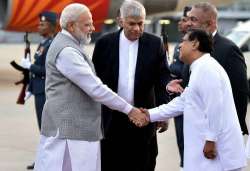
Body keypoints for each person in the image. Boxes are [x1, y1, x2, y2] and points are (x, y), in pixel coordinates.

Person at [33, 3, 146, 171]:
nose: (92, 28)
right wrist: (130, 110)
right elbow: (95, 88)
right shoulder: (67, 52)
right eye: (87, 24)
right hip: (71, 135)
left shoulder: (70, 45)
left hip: (74, 132)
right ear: (71, 26)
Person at [138, 29, 247, 171]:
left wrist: (211, 140)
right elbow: (183, 102)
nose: (179, 46)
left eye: (183, 41)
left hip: (218, 155)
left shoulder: (207, 69)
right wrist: (149, 114)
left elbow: (215, 106)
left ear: (195, 44)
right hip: (208, 154)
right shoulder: (200, 67)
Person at [92, 1, 171, 171]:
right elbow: (94, 82)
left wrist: (163, 113)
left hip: (143, 118)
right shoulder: (104, 44)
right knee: (110, 164)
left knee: (144, 164)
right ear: (120, 21)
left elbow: (162, 79)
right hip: (111, 119)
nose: (137, 28)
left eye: (141, 23)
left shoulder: (155, 44)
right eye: (132, 23)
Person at [185, 2, 249, 135]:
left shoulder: (229, 50)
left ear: (210, 23)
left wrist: (230, 132)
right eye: (187, 19)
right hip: (194, 127)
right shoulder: (192, 46)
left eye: (193, 19)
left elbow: (239, 94)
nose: (188, 23)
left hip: (221, 133)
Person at [20, 11, 57, 170]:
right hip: (39, 91)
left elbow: (48, 70)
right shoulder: (43, 43)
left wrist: (30, 66)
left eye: (42, 24)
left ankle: (48, 161)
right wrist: (30, 88)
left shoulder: (52, 44)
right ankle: (43, 159)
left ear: (51, 26)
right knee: (42, 129)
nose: (39, 26)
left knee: (47, 129)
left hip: (47, 93)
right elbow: (37, 71)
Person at [169, 6, 191, 170]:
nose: (180, 24)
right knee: (183, 145)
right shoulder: (179, 45)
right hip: (179, 106)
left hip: (191, 106)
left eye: (184, 20)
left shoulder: (195, 46)